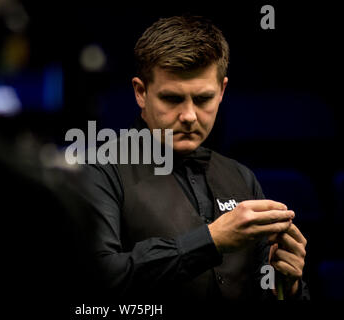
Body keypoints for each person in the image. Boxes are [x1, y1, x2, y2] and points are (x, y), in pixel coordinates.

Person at [82, 15, 309, 301]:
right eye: (172, 99)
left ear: (222, 91)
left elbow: (265, 292)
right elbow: (96, 281)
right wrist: (210, 241)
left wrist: (286, 287)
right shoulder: (100, 170)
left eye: (203, 99)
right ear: (141, 92)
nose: (189, 116)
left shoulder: (241, 177)